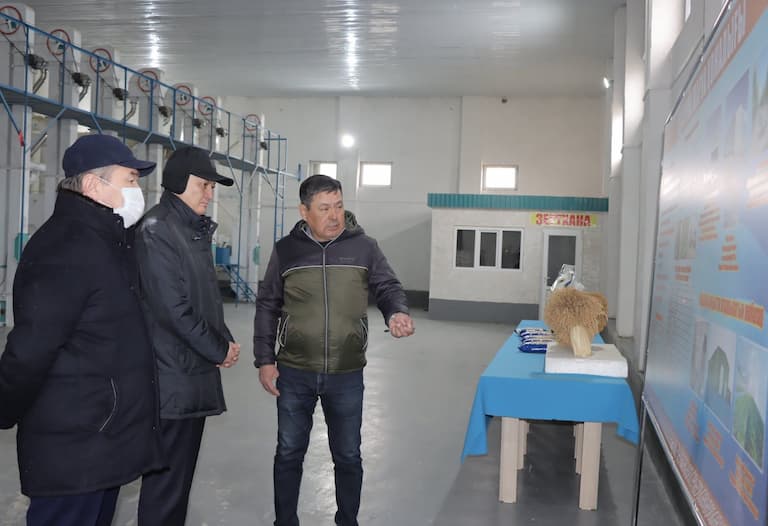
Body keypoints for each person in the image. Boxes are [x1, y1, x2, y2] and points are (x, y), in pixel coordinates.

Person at [0, 134, 163, 526]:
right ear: (93, 184)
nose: (137, 190)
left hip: (103, 437)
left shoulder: (109, 240)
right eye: (129, 179)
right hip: (74, 444)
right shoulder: (65, 247)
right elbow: (31, 348)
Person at [254, 174, 415, 526]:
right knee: (288, 453)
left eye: (339, 206)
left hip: (346, 372)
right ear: (304, 211)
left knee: (348, 456)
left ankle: (347, 521)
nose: (334, 216)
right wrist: (264, 360)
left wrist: (397, 311)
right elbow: (267, 305)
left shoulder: (364, 247)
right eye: (324, 208)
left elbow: (387, 286)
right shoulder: (286, 250)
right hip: (295, 371)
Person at [135, 146, 241, 526]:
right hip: (171, 378)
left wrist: (224, 339)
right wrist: (218, 349)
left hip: (190, 373)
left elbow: (205, 298)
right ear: (179, 182)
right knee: (166, 487)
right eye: (203, 185)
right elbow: (173, 310)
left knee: (178, 484)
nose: (209, 194)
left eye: (212, 187)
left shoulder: (188, 230)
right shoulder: (157, 231)